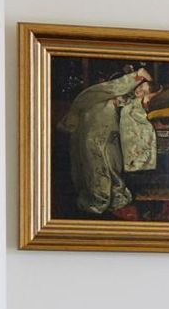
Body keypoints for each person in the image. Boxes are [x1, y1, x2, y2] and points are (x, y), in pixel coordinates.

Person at [60, 66, 152, 218]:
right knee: (103, 161)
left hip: (101, 131)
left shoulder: (120, 97)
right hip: (96, 132)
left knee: (109, 161)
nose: (141, 93)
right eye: (140, 89)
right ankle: (101, 197)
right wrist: (138, 78)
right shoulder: (106, 95)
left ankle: (106, 195)